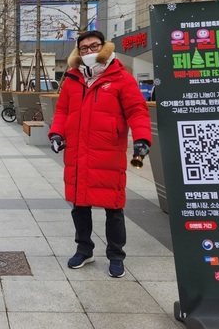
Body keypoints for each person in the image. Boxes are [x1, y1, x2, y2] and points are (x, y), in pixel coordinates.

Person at [48, 30, 151, 278]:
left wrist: (142, 138)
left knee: (113, 207)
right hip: (77, 152)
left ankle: (116, 255)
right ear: (78, 52)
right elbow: (62, 111)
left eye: (94, 46)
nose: (89, 51)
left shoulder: (121, 78)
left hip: (108, 153)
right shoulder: (72, 79)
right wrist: (56, 134)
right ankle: (84, 249)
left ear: (104, 47)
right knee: (79, 205)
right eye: (84, 48)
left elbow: (137, 111)